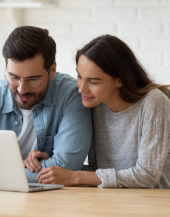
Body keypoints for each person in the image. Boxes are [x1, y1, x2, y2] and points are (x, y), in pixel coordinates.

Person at [29, 35, 170, 188]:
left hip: (153, 204)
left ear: (119, 80)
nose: (81, 88)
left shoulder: (153, 101)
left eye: (93, 81)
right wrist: (54, 165)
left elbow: (147, 176)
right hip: (110, 202)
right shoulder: (95, 105)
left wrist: (75, 176)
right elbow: (98, 173)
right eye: (79, 76)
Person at [0, 26, 92, 183]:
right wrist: (20, 168)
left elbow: (66, 167)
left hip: (51, 201)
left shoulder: (71, 95)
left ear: (52, 69)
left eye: (33, 79)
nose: (22, 89)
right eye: (13, 77)